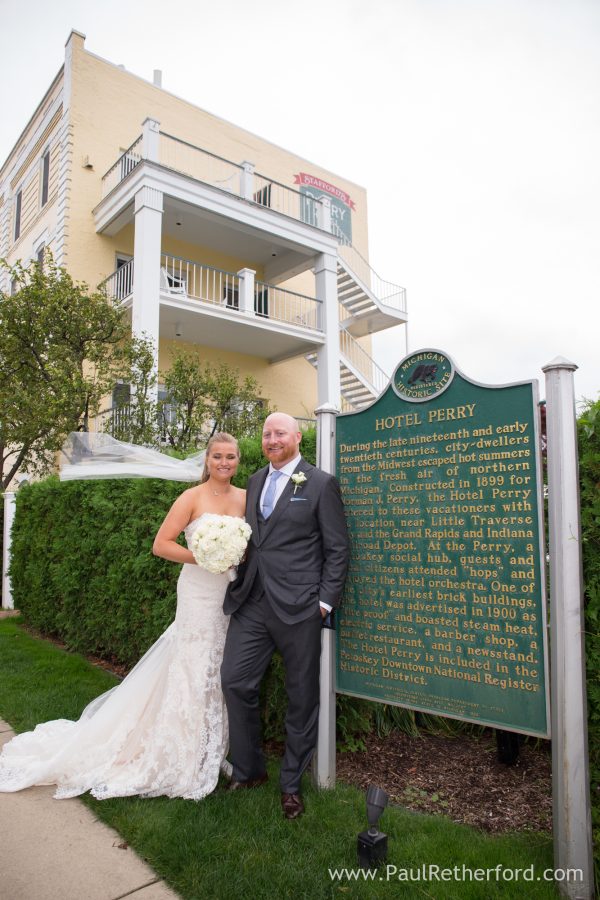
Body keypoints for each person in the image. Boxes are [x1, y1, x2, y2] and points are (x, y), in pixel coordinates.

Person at [0, 433, 246, 801]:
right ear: (206, 461)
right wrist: (202, 557)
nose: (224, 463)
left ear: (237, 460)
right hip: (197, 592)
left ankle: (210, 747)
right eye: (217, 457)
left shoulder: (244, 498)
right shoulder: (191, 498)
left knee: (219, 668)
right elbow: (161, 544)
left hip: (230, 593)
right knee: (193, 666)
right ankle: (182, 753)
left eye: (230, 457)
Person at [221, 412, 349, 819]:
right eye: (266, 434)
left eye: (279, 433)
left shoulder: (321, 483)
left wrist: (324, 603)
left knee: (301, 698)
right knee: (235, 681)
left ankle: (291, 784)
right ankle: (250, 768)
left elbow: (337, 549)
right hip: (253, 602)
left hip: (300, 608)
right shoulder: (256, 480)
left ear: (297, 437)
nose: (272, 439)